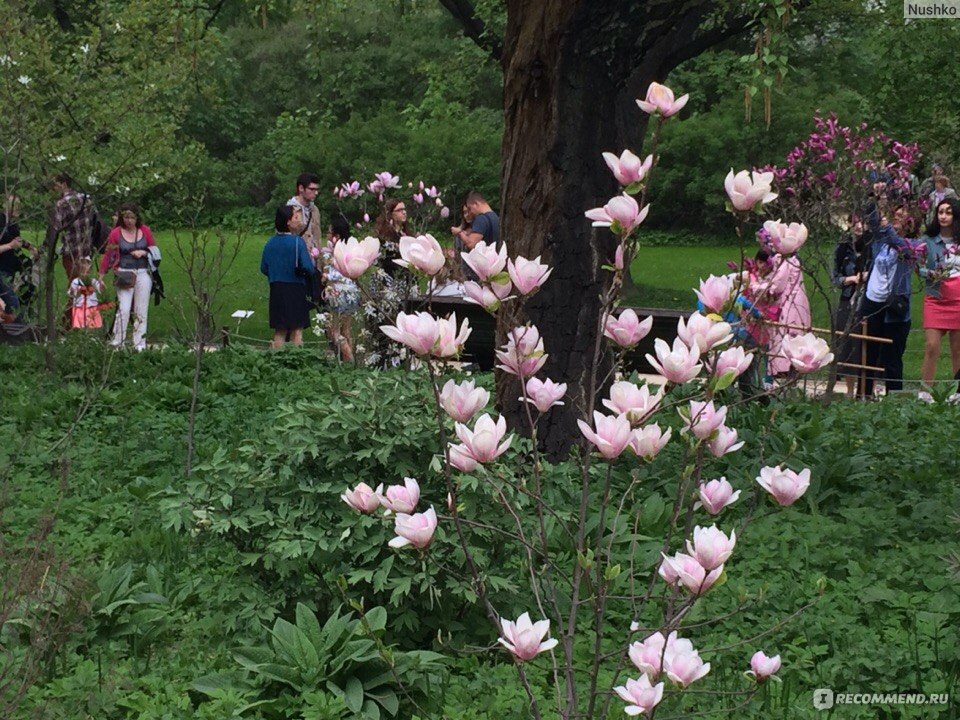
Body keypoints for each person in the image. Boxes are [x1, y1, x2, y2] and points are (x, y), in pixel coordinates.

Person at [862, 200, 915, 397]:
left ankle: (894, 402)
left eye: (902, 217)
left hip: (895, 310)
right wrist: (873, 197)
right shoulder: (880, 240)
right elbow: (873, 221)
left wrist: (889, 230)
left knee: (892, 360)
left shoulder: (914, 244)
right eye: (895, 216)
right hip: (872, 303)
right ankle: (864, 396)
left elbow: (905, 250)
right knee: (868, 355)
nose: (896, 220)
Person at [100, 203, 157, 351]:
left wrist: (143, 253)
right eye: (126, 217)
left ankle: (139, 344)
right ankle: (118, 342)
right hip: (124, 272)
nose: (129, 220)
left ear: (137, 218)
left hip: (143, 272)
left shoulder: (145, 231)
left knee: (141, 309)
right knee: (124, 308)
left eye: (132, 217)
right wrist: (101, 274)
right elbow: (109, 255)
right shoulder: (116, 233)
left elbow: (154, 249)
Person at [919, 197, 960, 400]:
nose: (943, 216)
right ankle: (925, 393)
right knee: (931, 345)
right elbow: (916, 265)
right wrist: (929, 273)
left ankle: (958, 393)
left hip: (958, 299)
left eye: (948, 212)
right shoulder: (928, 240)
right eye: (940, 212)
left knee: (957, 349)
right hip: (935, 298)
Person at [260, 205, 315, 349]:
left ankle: (277, 360)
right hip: (296, 288)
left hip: (276, 288)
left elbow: (264, 267)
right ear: (288, 222)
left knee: (280, 329)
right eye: (296, 217)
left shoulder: (270, 243)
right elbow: (309, 267)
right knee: (297, 330)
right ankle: (296, 361)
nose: (299, 221)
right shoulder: (297, 242)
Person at [831, 217, 872, 396]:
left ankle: (864, 389)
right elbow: (835, 278)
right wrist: (851, 279)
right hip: (847, 299)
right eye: (855, 222)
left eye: (862, 222)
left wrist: (867, 276)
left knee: (864, 344)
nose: (859, 226)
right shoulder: (842, 248)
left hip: (868, 300)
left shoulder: (873, 246)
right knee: (846, 345)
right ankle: (848, 389)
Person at [756, 248, 812, 377]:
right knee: (796, 334)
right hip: (799, 300)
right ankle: (794, 368)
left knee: (787, 332)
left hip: (790, 301)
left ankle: (784, 368)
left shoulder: (785, 263)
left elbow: (777, 285)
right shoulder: (794, 261)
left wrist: (758, 287)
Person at [320, 215, 360, 362]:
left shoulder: (328, 253)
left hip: (336, 293)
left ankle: (349, 358)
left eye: (329, 233)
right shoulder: (352, 249)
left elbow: (326, 276)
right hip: (352, 292)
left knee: (335, 331)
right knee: (346, 329)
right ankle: (349, 357)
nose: (327, 235)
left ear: (336, 235)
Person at [50, 173, 99, 281]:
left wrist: (49, 247)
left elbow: (55, 227)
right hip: (86, 248)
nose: (54, 188)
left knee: (74, 284)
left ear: (63, 184)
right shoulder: (86, 198)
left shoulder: (61, 203)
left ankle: (73, 298)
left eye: (55, 185)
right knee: (85, 282)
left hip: (71, 249)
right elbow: (95, 220)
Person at [0, 194, 35, 321]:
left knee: (24, 296)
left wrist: (28, 246)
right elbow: (10, 243)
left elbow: (15, 240)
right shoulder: (1, 222)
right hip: (1, 270)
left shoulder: (13, 224)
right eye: (16, 206)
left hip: (11, 268)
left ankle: (15, 328)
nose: (19, 209)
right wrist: (10, 246)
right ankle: (15, 333)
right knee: (13, 303)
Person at [287, 172, 323, 259]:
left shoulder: (315, 210)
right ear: (301, 188)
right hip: (296, 260)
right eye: (312, 189)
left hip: (313, 261)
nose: (316, 193)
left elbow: (318, 237)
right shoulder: (289, 210)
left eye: (316, 189)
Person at [374, 198, 410, 278]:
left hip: (408, 277)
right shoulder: (383, 237)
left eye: (404, 209)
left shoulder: (406, 234)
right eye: (399, 210)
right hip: (390, 278)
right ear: (391, 214)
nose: (404, 212)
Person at [67, 257, 107, 329]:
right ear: (78, 272)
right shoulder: (76, 281)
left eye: (88, 272)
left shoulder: (92, 281)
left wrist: (101, 284)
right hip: (80, 307)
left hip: (91, 306)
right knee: (80, 324)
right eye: (83, 272)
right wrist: (76, 291)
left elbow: (101, 290)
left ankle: (91, 335)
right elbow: (70, 293)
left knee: (91, 324)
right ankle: (82, 335)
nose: (85, 274)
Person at [449, 203, 478, 281]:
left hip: (477, 274)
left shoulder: (479, 231)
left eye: (469, 211)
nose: (467, 215)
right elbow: (456, 255)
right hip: (463, 275)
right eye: (464, 212)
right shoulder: (458, 233)